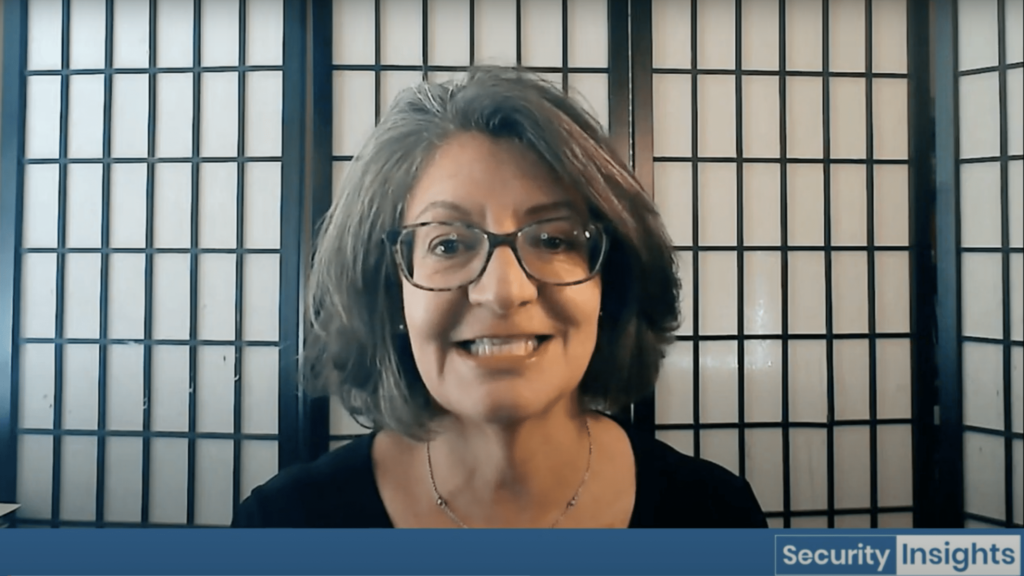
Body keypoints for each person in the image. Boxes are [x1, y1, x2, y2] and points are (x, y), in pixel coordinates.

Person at [232, 66, 767, 528]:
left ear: (612, 282)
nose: (504, 291)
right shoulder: (285, 525)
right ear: (392, 292)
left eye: (553, 240)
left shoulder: (714, 514)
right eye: (448, 243)